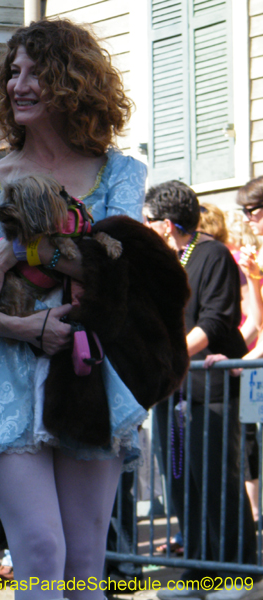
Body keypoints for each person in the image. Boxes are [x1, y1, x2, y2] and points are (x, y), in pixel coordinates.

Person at [0, 18, 148, 600]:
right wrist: (23, 325)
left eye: (36, 72)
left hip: (86, 376)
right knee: (42, 550)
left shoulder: (120, 174)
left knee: (85, 562)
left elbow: (125, 274)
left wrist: (30, 246)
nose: (18, 84)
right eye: (13, 72)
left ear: (71, 83)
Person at [146, 182, 258, 587]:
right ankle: (200, 568)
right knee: (179, 481)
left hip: (206, 389)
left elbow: (214, 320)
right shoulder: (163, 260)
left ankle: (236, 570)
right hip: (171, 391)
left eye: (149, 220)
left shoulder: (212, 255)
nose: (145, 225)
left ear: (168, 224)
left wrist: (175, 356)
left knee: (216, 481)